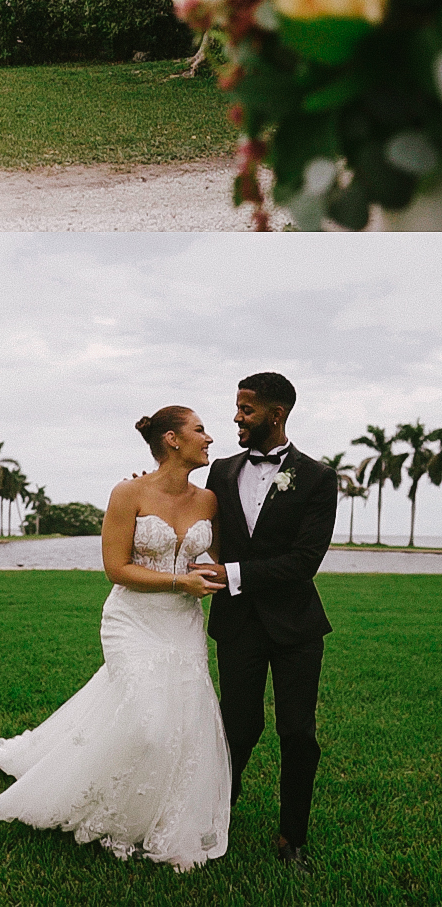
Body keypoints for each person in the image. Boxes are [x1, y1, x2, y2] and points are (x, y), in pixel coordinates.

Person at [0, 407, 231, 873]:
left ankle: (170, 822)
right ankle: (114, 817)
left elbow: (215, 560)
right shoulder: (128, 492)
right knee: (148, 724)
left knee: (183, 721)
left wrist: (208, 576)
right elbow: (117, 568)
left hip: (182, 625)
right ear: (172, 439)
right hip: (132, 621)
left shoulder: (209, 500)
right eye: (199, 430)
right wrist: (178, 583)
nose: (209, 438)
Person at [189, 372, 338, 875]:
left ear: (275, 414)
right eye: (236, 408)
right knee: (237, 726)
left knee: (298, 732)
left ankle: (291, 838)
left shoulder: (317, 477)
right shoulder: (222, 470)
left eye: (246, 409)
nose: (236, 417)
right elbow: (197, 525)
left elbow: (303, 562)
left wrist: (231, 573)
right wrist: (143, 489)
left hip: (297, 628)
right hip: (238, 625)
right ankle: (215, 821)